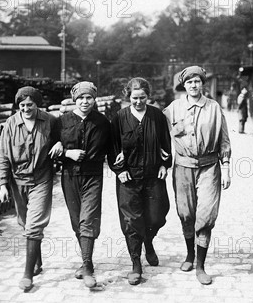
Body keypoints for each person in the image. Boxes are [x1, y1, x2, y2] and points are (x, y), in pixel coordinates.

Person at [164, 66, 231, 285]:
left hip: (209, 167)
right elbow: (156, 132)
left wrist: (227, 168)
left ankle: (200, 266)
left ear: (203, 84)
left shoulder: (213, 108)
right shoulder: (173, 109)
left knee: (206, 216)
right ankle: (189, 255)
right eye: (189, 82)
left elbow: (224, 139)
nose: (194, 85)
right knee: (186, 214)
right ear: (183, 85)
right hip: (182, 167)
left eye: (197, 81)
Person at [0, 86, 63, 291]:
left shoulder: (50, 121)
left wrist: (60, 143)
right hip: (18, 182)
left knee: (34, 225)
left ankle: (27, 275)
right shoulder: (10, 124)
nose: (26, 109)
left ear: (37, 105)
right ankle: (37, 261)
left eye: (30, 105)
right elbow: (3, 155)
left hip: (42, 178)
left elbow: (64, 138)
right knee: (25, 223)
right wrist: (2, 184)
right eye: (22, 105)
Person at [109, 77, 172, 286]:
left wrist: (165, 165)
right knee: (131, 221)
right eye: (134, 98)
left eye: (142, 98)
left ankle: (149, 242)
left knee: (157, 216)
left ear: (148, 96)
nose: (138, 102)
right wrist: (119, 170)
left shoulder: (157, 116)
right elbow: (113, 147)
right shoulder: (119, 117)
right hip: (129, 178)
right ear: (128, 96)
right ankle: (136, 263)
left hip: (154, 175)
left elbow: (166, 144)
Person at [50, 82, 111, 289]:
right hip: (69, 176)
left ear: (94, 99)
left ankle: (86, 268)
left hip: (93, 176)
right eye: (81, 98)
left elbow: (113, 147)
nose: (85, 102)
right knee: (77, 221)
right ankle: (88, 261)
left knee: (88, 219)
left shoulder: (103, 122)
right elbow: (50, 147)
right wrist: (65, 151)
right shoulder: (62, 122)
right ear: (74, 100)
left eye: (89, 98)